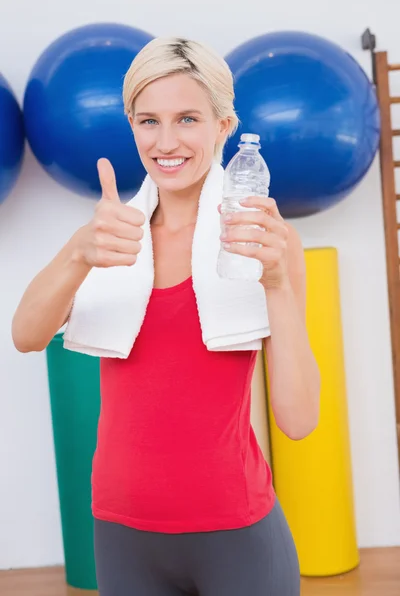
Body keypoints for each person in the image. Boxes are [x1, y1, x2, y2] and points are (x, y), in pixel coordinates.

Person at [12, 36, 320, 596]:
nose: (167, 141)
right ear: (131, 124)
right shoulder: (110, 236)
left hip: (237, 537)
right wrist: (79, 252)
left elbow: (298, 421)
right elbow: (26, 335)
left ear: (224, 126)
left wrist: (275, 283)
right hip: (121, 533)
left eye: (188, 119)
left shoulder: (265, 242)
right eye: (149, 121)